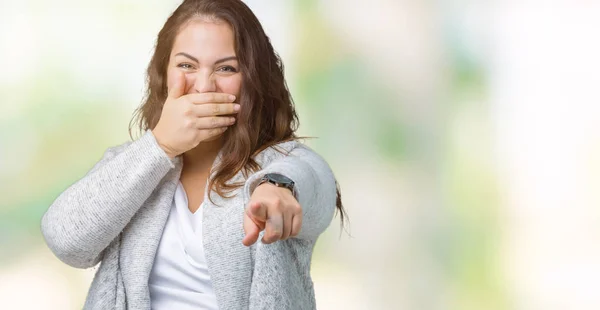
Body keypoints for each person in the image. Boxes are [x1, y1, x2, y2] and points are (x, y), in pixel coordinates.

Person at [41, 0, 346, 309]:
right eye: (186, 65)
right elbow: (66, 241)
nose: (203, 87)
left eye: (226, 68)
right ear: (163, 73)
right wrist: (161, 144)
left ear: (252, 79)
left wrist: (278, 186)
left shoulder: (281, 163)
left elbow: (314, 179)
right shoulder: (132, 163)